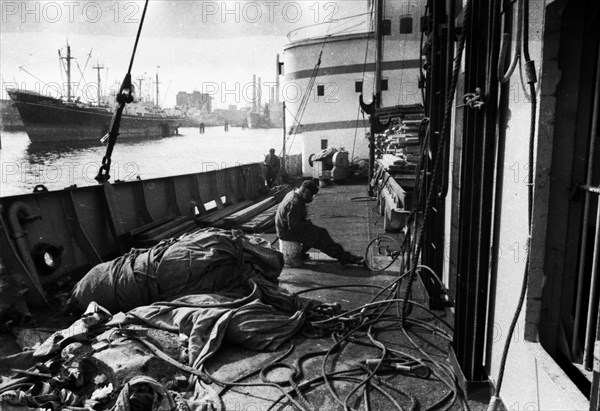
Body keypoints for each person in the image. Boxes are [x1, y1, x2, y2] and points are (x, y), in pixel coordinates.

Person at [275, 180, 364, 265]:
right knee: (319, 236)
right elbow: (294, 228)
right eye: (310, 195)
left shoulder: (293, 193)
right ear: (303, 190)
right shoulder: (295, 203)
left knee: (317, 232)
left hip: (285, 228)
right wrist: (307, 223)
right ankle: (344, 258)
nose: (311, 198)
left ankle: (302, 253)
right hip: (286, 232)